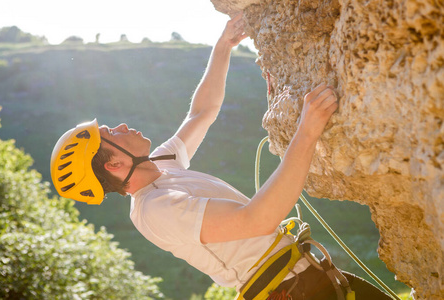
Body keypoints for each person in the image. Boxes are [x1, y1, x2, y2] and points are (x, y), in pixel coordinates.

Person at [51, 13, 391, 300]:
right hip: (290, 291)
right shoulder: (155, 209)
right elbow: (256, 220)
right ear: (115, 164)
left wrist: (223, 47)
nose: (122, 125)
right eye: (112, 133)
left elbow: (201, 112)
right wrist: (307, 131)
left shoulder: (162, 166)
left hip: (305, 277)